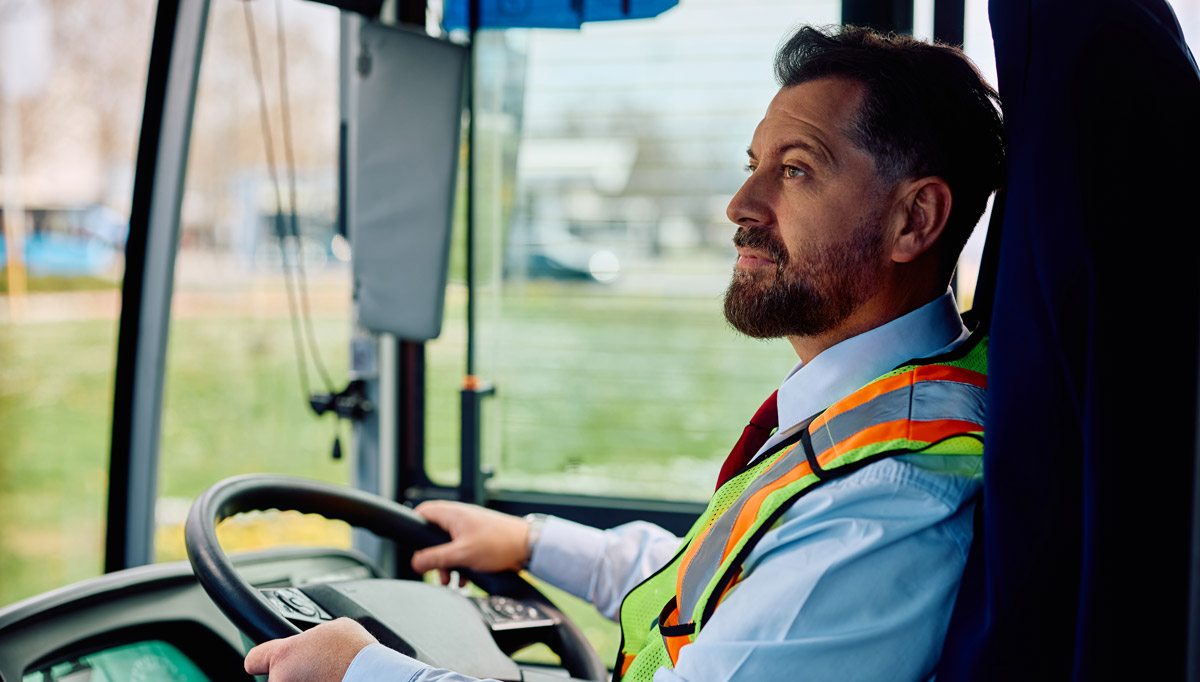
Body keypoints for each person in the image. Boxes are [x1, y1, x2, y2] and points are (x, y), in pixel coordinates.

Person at [244, 24, 1005, 682]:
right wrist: (531, 542)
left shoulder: (891, 489)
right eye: (754, 166)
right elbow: (727, 589)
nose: (740, 207)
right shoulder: (868, 417)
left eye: (796, 170)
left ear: (915, 220)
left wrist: (361, 668)